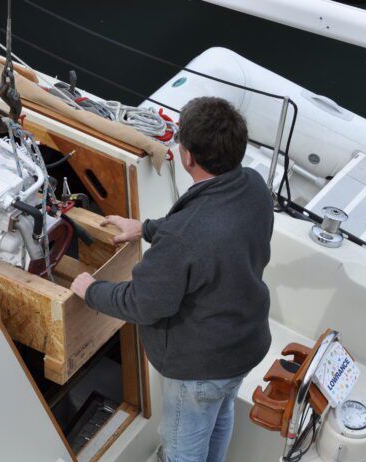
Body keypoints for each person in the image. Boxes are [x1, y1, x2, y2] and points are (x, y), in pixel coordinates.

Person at [71, 96, 274, 462]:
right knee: (221, 415)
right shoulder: (255, 187)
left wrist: (90, 290)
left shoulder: (184, 237)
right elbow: (204, 229)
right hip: (244, 345)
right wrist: (146, 228)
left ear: (187, 157)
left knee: (183, 452)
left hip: (199, 369)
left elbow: (143, 304)